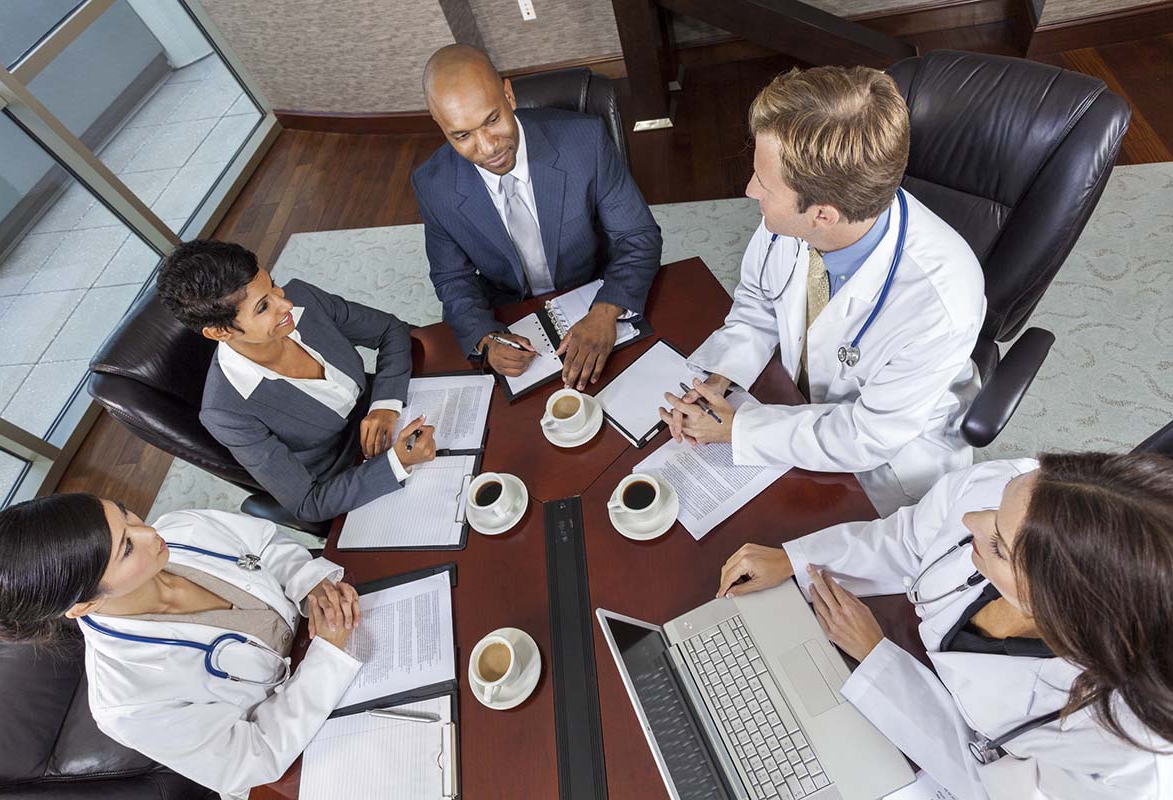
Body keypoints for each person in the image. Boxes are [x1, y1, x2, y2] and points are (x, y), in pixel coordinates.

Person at [716, 452, 1173, 799]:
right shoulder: (1020, 493)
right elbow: (909, 538)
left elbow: (989, 781)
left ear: (1060, 607)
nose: (971, 520)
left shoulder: (1120, 758)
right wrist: (796, 560)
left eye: (997, 544)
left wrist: (880, 660)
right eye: (1000, 501)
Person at [661, 66, 985, 516]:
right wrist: (721, 376)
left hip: (886, 463)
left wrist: (740, 431)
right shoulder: (792, 222)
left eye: (765, 186)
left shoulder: (940, 302)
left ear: (823, 215)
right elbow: (758, 300)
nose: (750, 189)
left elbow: (864, 437)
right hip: (798, 404)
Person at [0, 494, 364, 799]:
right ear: (85, 605)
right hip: (307, 745)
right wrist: (326, 659)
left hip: (334, 643)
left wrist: (309, 583)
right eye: (126, 548)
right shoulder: (127, 702)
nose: (149, 533)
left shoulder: (184, 527)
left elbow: (266, 544)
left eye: (125, 514)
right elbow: (253, 758)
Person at [412, 44, 662, 390]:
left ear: (509, 95)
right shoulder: (432, 184)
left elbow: (638, 236)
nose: (487, 148)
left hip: (591, 287)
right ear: (439, 125)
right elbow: (452, 277)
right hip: (510, 310)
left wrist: (605, 311)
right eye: (462, 135)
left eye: (492, 120)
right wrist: (485, 338)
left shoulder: (585, 141)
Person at [156, 240, 436, 523]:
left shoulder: (302, 297)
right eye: (263, 307)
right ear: (219, 332)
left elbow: (390, 330)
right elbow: (308, 503)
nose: (285, 302)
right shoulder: (226, 412)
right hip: (350, 474)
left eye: (273, 285)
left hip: (392, 403)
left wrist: (385, 405)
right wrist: (396, 463)